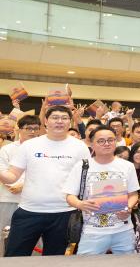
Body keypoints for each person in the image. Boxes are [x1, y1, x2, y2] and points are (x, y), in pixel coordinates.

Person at [1, 106, 91, 256]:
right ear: (46, 121)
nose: (59, 121)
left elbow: (85, 179)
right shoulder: (29, 145)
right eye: (55, 117)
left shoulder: (80, 147)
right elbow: (12, 176)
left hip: (65, 213)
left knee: (55, 261)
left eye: (64, 118)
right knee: (14, 257)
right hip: (29, 211)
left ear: (70, 122)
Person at [64, 125, 140, 255]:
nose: (106, 144)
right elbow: (69, 196)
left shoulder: (127, 166)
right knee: (86, 265)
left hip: (123, 230)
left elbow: (133, 194)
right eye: (101, 141)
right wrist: (80, 204)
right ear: (92, 144)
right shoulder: (82, 166)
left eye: (110, 140)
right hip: (92, 231)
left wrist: (128, 207)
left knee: (127, 265)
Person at [0, 115, 39, 257]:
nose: (32, 132)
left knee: (33, 235)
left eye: (36, 128)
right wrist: (14, 185)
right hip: (8, 197)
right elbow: (2, 170)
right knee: (3, 232)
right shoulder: (7, 149)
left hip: (34, 200)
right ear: (19, 129)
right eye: (28, 128)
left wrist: (23, 185)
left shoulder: (43, 149)